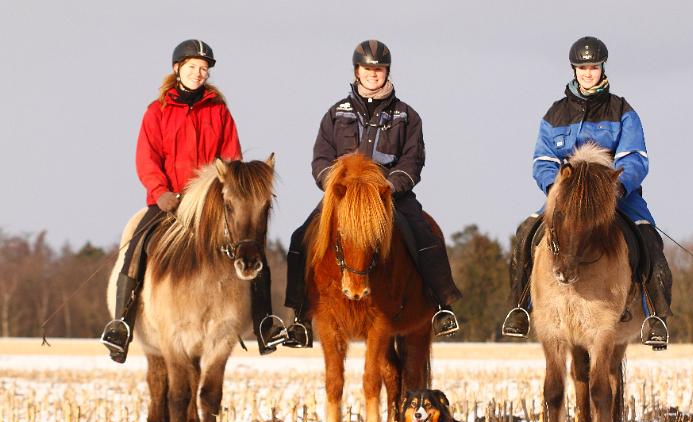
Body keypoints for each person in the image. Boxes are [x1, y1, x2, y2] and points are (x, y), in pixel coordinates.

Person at [269, 39, 462, 348]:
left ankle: (441, 306)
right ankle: (301, 318)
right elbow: (321, 158)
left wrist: (390, 186)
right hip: (342, 199)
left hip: (389, 197)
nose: (374, 74)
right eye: (368, 69)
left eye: (379, 69)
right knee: (299, 239)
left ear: (387, 72)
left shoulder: (406, 115)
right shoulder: (336, 113)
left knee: (424, 236)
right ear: (357, 71)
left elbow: (413, 159)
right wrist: (333, 186)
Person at [101, 39, 276, 361]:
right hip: (168, 201)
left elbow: (232, 159)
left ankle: (266, 322)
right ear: (177, 69)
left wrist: (232, 192)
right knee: (137, 244)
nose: (199, 73)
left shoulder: (219, 111)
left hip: (209, 208)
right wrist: (161, 192)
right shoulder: (157, 112)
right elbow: (146, 158)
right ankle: (121, 324)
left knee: (250, 245)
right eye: (193, 67)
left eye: (204, 69)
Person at [501, 36, 672, 350]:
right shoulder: (556, 114)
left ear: (602, 68)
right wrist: (556, 189)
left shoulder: (622, 110)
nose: (588, 73)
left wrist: (617, 187)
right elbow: (542, 159)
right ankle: (520, 307)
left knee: (650, 242)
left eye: (593, 67)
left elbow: (636, 157)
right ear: (574, 70)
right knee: (526, 233)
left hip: (616, 196)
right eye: (582, 68)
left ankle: (654, 316)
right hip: (567, 199)